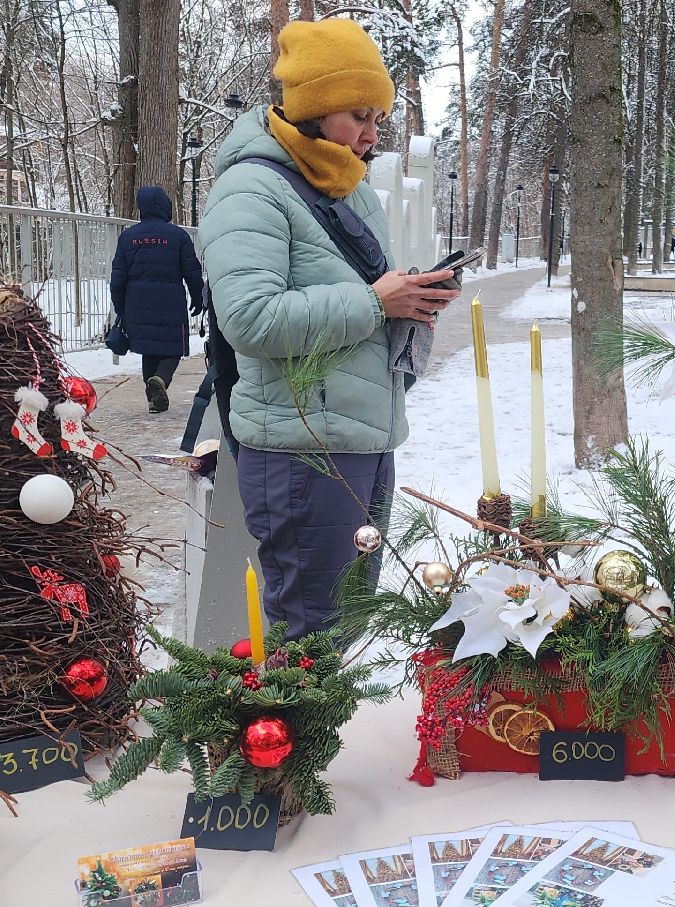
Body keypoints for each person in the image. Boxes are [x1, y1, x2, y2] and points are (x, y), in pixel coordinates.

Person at [201, 19, 455, 638]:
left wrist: (411, 298)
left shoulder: (351, 191)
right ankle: (278, 740)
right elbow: (251, 319)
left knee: (342, 630)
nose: (372, 135)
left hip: (364, 437)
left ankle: (311, 738)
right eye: (358, 116)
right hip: (300, 448)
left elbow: (362, 298)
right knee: (308, 633)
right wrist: (375, 303)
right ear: (313, 112)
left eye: (377, 118)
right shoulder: (251, 189)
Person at [111, 186, 204, 414]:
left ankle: (154, 399)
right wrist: (198, 297)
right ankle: (160, 379)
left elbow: (117, 278)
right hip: (171, 302)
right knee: (172, 348)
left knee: (148, 349)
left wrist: (121, 307)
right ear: (165, 206)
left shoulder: (128, 237)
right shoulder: (179, 236)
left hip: (136, 303)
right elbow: (192, 272)